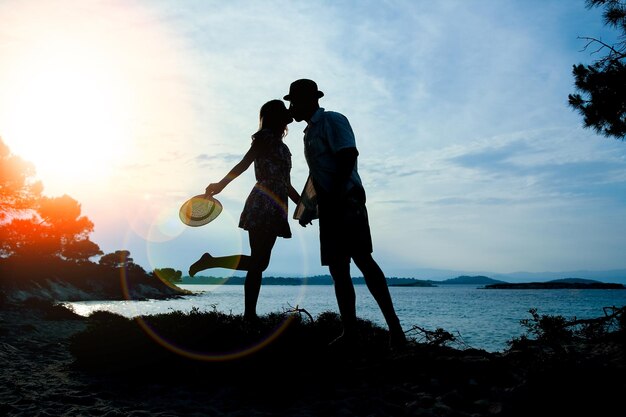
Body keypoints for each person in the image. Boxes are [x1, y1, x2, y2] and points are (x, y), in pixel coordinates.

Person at [284, 79, 406, 348]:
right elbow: (318, 175)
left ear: (308, 101)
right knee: (339, 271)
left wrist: (337, 196)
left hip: (347, 201)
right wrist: (309, 208)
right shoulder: (308, 133)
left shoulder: (332, 120)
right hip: (329, 205)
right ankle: (350, 332)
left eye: (294, 102)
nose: (291, 107)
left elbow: (348, 155)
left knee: (364, 261)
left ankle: (395, 331)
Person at [189, 99, 300, 320]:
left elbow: (286, 183)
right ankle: (249, 314)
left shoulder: (283, 147)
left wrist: (303, 205)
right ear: (275, 116)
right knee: (258, 262)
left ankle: (213, 264)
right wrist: (221, 184)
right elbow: (243, 163)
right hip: (262, 202)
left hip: (277, 205)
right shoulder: (264, 138)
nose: (289, 112)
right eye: (283, 110)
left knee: (260, 263)